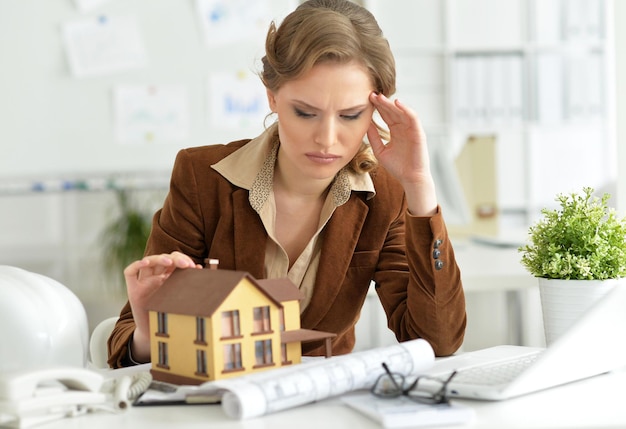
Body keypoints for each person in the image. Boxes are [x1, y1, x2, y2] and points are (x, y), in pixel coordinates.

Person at [107, 0, 466, 368]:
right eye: (305, 113)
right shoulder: (202, 178)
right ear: (272, 96)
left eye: (350, 115)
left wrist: (419, 187)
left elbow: (437, 342)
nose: (327, 139)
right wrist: (151, 332)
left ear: (376, 110)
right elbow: (127, 349)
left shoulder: (385, 195)